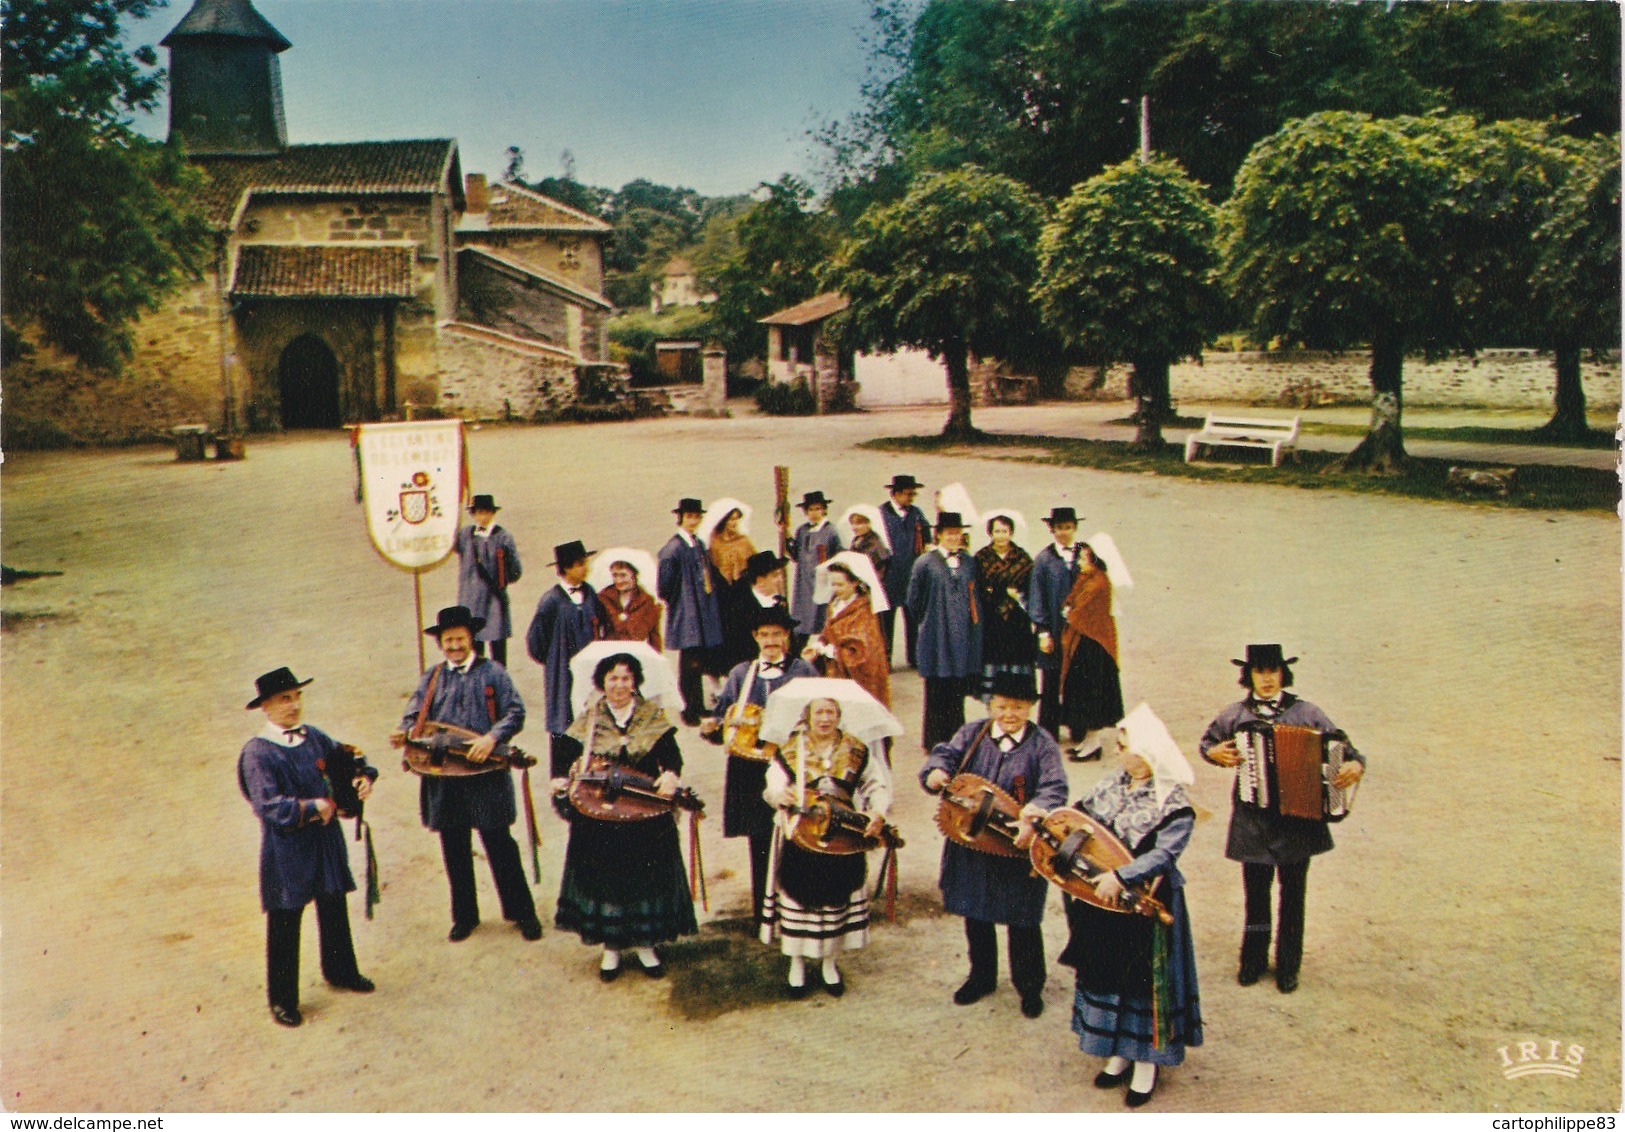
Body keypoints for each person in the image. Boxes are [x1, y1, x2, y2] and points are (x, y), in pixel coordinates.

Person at [1056, 704, 1203, 1108]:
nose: (1120, 753)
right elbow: (1079, 818)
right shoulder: (1112, 783)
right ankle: (1118, 1052)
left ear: (1148, 753)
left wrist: (1121, 877)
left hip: (1146, 903)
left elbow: (1164, 855)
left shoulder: (1174, 804)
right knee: (1109, 972)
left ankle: (1146, 1063)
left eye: (1125, 747)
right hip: (1101, 900)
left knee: (1141, 981)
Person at [1198, 644, 1365, 994]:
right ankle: (1253, 961)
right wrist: (1214, 753)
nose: (1268, 679)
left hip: (1297, 823)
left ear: (1283, 674)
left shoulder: (1308, 714)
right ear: (1249, 676)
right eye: (1260, 672)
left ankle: (1289, 965)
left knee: (1294, 895)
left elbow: (1348, 750)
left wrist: (1354, 765)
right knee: (1255, 895)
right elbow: (1207, 744)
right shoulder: (1235, 716)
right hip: (1253, 822)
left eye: (1273, 671)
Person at [921, 673, 1068, 1018]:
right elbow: (944, 754)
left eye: (1018, 707)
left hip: (1017, 845)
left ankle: (1029, 986)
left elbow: (1054, 787)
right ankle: (981, 976)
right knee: (975, 912)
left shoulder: (1042, 744)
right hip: (971, 840)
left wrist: (1033, 813)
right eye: (1001, 706)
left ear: (1030, 707)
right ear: (990, 706)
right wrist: (936, 772)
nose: (1009, 714)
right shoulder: (972, 734)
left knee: (1023, 919)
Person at [393, 606, 543, 943]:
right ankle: (465, 916)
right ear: (440, 644)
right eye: (448, 640)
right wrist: (403, 731)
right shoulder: (432, 677)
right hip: (444, 775)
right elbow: (414, 714)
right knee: (453, 846)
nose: (455, 645)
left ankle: (523, 913)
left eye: (460, 638)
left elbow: (515, 712)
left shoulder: (494, 673)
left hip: (485, 772)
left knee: (499, 843)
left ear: (471, 638)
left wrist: (491, 738)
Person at [239, 667, 377, 1027]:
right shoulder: (258, 753)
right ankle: (283, 999)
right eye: (285, 699)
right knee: (286, 917)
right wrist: (311, 807)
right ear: (265, 707)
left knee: (333, 903)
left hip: (325, 840)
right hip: (288, 847)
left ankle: (341, 969)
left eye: (297, 696)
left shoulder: (313, 737)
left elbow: (344, 761)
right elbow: (267, 805)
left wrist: (362, 778)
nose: (294, 704)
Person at [551, 652, 697, 980]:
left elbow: (671, 757)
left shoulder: (651, 716)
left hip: (642, 810)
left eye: (626, 678)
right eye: (613, 678)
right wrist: (560, 778)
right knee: (608, 877)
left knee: (644, 875)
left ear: (635, 683)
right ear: (602, 682)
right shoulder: (588, 720)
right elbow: (565, 756)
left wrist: (671, 775)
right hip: (601, 813)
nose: (619, 684)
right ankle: (612, 949)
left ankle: (645, 944)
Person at [761, 697, 892, 998]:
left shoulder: (856, 750)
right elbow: (773, 785)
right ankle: (796, 963)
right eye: (818, 712)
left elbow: (876, 785)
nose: (825, 718)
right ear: (806, 715)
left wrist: (877, 812)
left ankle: (829, 963)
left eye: (830, 712)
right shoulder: (791, 749)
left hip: (843, 835)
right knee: (799, 896)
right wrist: (781, 794)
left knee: (837, 896)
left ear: (839, 715)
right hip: (801, 834)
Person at [701, 605, 817, 927]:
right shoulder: (741, 674)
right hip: (751, 770)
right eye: (764, 634)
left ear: (787, 637)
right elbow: (725, 720)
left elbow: (819, 713)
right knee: (761, 839)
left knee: (797, 835)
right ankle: (763, 913)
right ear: (755, 637)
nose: (771, 640)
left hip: (793, 766)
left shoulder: (804, 671)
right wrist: (711, 729)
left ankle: (798, 910)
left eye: (777, 634)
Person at [907, 511, 982, 748]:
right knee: (937, 690)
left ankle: (957, 741)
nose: (954, 538)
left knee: (957, 691)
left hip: (961, 636)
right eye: (949, 533)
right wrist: (929, 621)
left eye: (957, 534)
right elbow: (913, 600)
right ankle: (935, 741)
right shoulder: (925, 563)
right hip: (935, 635)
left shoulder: (969, 562)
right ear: (939, 535)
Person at [525, 540, 603, 765]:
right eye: (580, 564)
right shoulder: (551, 601)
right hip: (562, 675)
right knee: (564, 722)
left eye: (585, 562)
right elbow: (536, 643)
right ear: (566, 569)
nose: (585, 568)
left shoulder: (591, 595)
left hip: (589, 674)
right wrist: (555, 661)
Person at [657, 497, 725, 726]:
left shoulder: (697, 543)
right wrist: (681, 601)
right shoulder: (673, 548)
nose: (693, 521)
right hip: (687, 612)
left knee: (698, 660)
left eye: (697, 517)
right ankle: (688, 709)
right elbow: (664, 586)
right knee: (689, 663)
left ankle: (697, 705)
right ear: (681, 518)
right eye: (689, 516)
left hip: (701, 609)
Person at [1057, 541, 1125, 762]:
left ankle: (1093, 743)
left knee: (1090, 696)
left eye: (1083, 559)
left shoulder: (1097, 583)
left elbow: (1078, 612)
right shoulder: (1087, 579)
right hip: (1086, 643)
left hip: (1094, 647)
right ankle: (1088, 741)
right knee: (1083, 693)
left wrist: (1069, 612)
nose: (1079, 563)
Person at [802, 553, 891, 710]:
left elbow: (863, 655)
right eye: (833, 584)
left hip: (858, 681)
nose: (835, 590)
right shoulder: (835, 604)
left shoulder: (864, 612)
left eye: (840, 585)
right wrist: (817, 646)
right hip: (835, 674)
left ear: (855, 583)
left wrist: (830, 651)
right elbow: (828, 633)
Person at [1028, 506, 1082, 738]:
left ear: (1075, 528)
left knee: (1078, 678)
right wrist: (1042, 631)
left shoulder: (1085, 555)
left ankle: (1079, 727)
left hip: (1080, 630)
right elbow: (1036, 596)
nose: (1064, 533)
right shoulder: (1044, 560)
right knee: (1051, 680)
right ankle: (1049, 731)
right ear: (1052, 529)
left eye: (1068, 528)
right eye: (1059, 528)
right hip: (1054, 630)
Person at [453, 494, 522, 667]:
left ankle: (499, 688)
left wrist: (501, 576)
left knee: (498, 652)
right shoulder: (465, 535)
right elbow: (450, 545)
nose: (482, 517)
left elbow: (515, 571)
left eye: (486, 512)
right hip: (470, 603)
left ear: (492, 513)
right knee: (474, 654)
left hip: (494, 601)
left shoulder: (504, 537)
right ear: (473, 514)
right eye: (479, 513)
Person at [975, 512, 1035, 701]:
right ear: (990, 533)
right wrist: (999, 592)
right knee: (994, 659)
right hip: (992, 619)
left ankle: (1017, 699)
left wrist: (1019, 596)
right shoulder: (981, 558)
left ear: (1011, 533)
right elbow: (977, 589)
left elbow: (1031, 588)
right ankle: (993, 701)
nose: (1001, 535)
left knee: (1016, 660)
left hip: (1016, 620)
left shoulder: (1022, 558)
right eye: (997, 531)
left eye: (1005, 531)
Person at [878, 475, 930, 668]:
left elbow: (926, 537)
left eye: (913, 494)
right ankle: (885, 658)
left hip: (911, 574)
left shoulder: (916, 513)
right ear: (896, 494)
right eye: (908, 494)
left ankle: (914, 657)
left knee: (913, 616)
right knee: (885, 619)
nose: (911, 498)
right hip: (888, 575)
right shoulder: (881, 514)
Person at [702, 499, 757, 679]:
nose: (734, 524)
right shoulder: (714, 543)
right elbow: (710, 571)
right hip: (723, 596)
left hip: (742, 594)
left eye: (736, 520)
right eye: (731, 519)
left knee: (744, 636)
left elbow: (755, 566)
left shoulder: (744, 541)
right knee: (725, 637)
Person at [718, 549, 789, 672]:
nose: (780, 579)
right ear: (760, 580)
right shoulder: (740, 608)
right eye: (775, 576)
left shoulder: (779, 602)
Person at [789, 490, 842, 648]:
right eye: (810, 510)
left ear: (824, 510)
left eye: (818, 509)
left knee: (823, 618)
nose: (814, 513)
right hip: (804, 583)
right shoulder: (802, 531)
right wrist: (785, 536)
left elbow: (838, 555)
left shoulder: (831, 532)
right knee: (801, 621)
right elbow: (796, 555)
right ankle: (796, 653)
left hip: (823, 581)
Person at [595, 554, 663, 650]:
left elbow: (654, 636)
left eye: (623, 575)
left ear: (634, 576)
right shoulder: (603, 598)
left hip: (636, 652)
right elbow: (595, 629)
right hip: (610, 652)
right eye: (615, 575)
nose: (618, 580)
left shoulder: (647, 601)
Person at [840, 504, 891, 581]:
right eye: (852, 523)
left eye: (859, 523)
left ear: (869, 524)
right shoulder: (857, 539)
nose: (854, 527)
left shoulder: (874, 544)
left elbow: (865, 566)